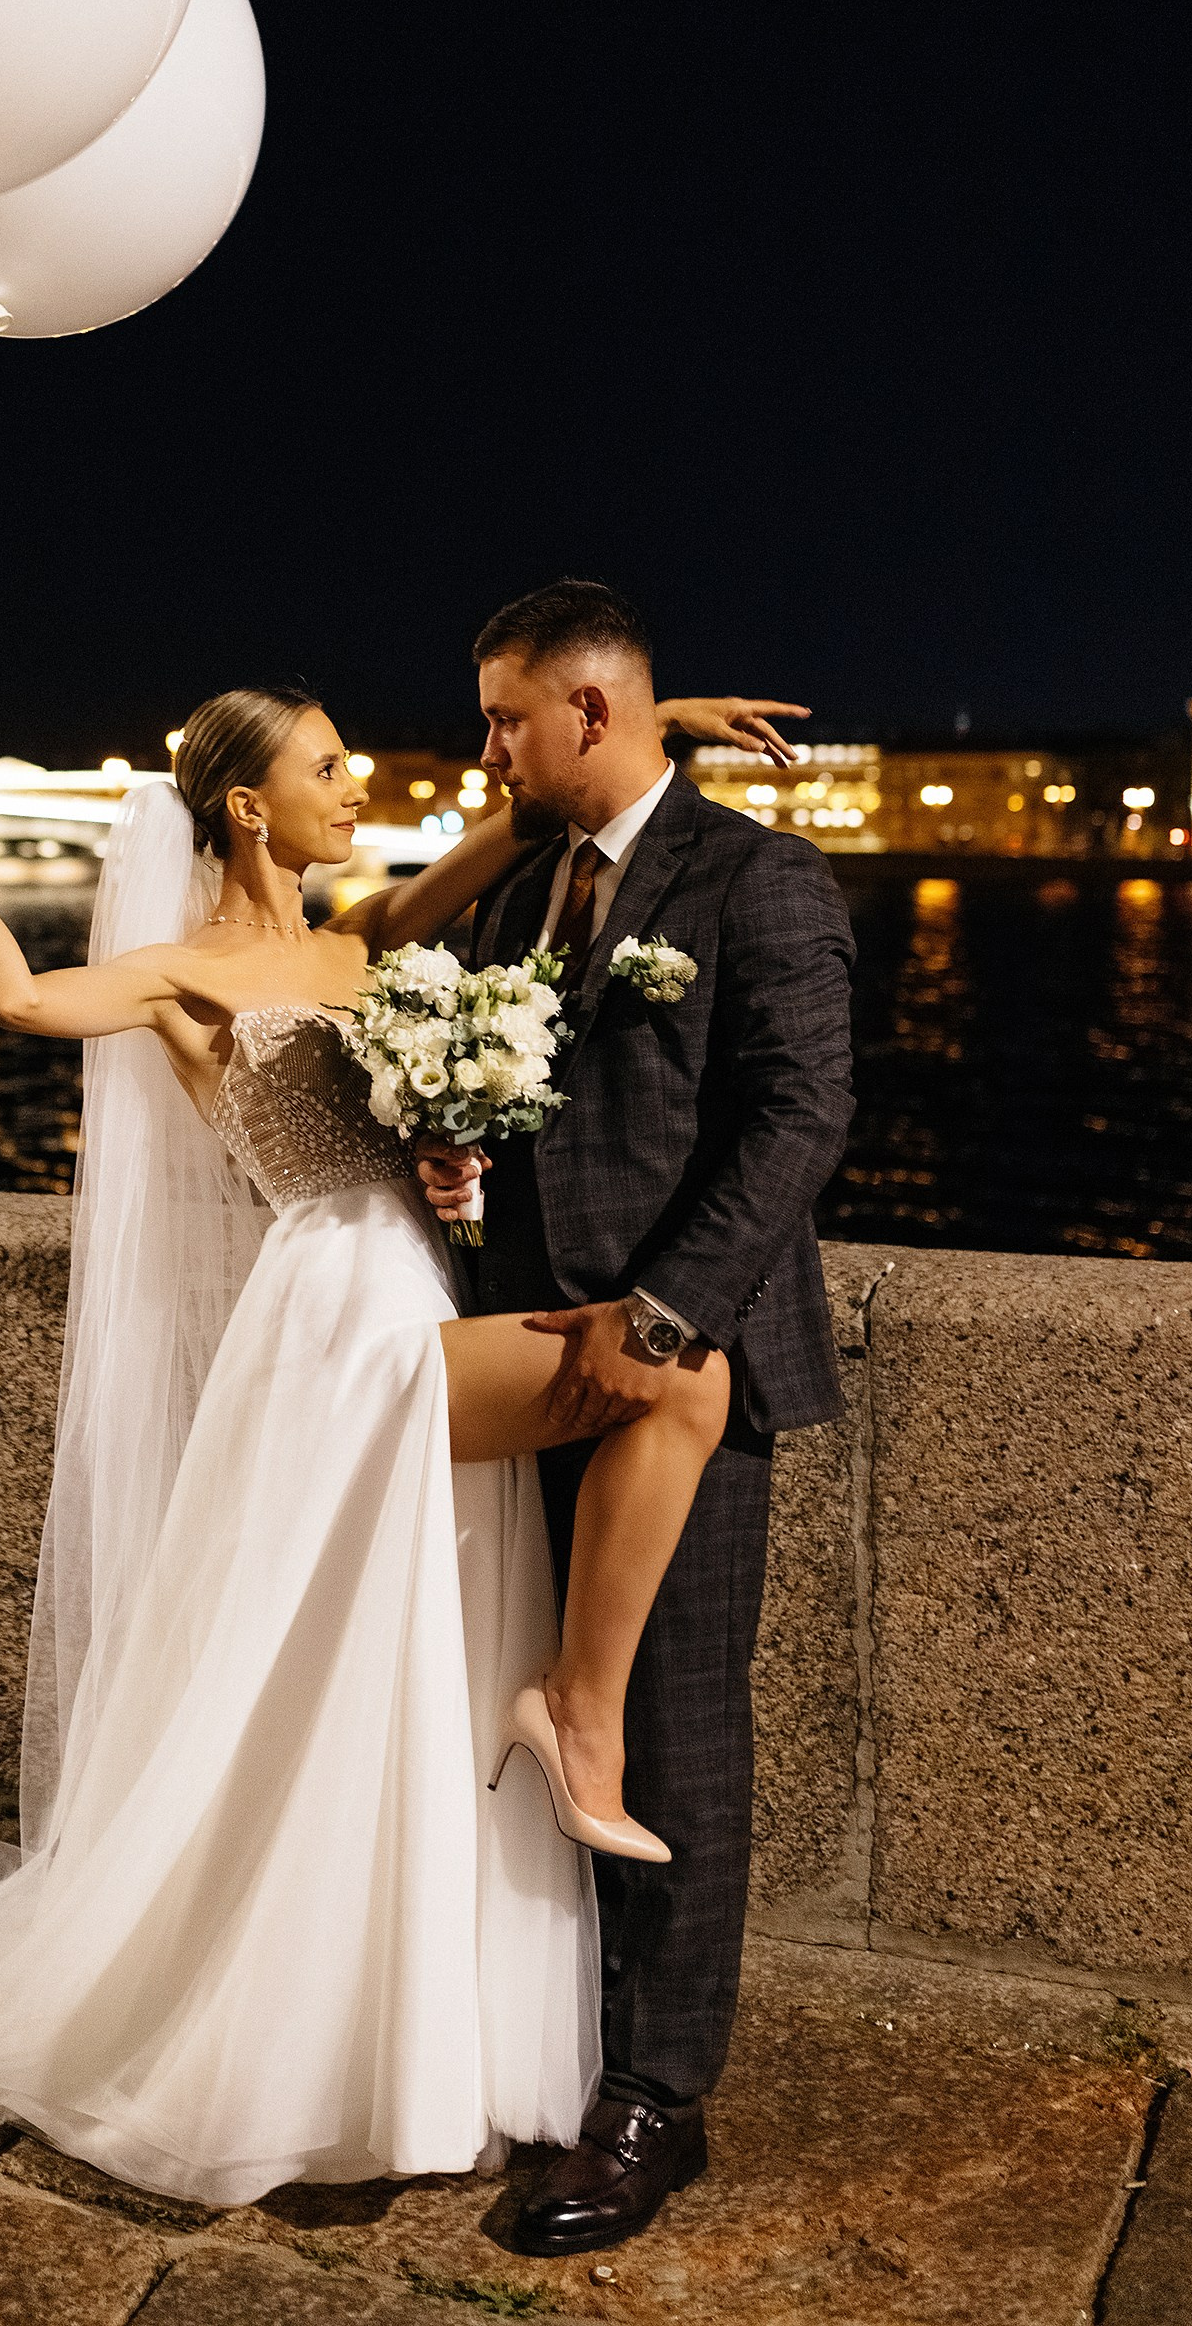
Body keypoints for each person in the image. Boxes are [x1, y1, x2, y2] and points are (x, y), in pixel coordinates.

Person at [0, 661, 808, 2213]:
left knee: (405, 1661)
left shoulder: (366, 942)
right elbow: (11, 1000)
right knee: (678, 1382)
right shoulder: (176, 969)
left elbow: (515, 819)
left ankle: (404, 2005)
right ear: (252, 804)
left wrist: (661, 729)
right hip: (334, 1320)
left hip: (420, 1282)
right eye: (330, 768)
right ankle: (572, 1713)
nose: (359, 788)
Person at [418, 579, 856, 2258]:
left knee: (672, 1739)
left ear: (588, 713)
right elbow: (475, 1077)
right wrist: (448, 1154)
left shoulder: (760, 879)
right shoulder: (520, 885)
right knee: (531, 1719)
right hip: (521, 1352)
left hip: (677, 1369)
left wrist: (663, 1317)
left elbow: (799, 1116)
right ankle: (553, 2047)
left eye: (507, 719)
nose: (488, 749)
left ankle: (658, 2102)